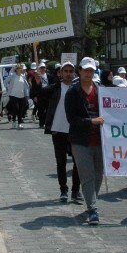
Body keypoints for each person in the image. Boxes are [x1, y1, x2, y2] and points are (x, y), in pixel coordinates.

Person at [66, 57, 105, 225]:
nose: (88, 73)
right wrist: (91, 121)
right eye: (86, 70)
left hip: (101, 141)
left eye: (91, 70)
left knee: (98, 175)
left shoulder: (101, 91)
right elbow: (72, 119)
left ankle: (91, 202)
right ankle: (93, 209)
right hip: (80, 141)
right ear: (80, 71)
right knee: (87, 175)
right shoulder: (72, 92)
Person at [44, 61, 81, 203]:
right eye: (65, 71)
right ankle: (63, 190)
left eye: (71, 71)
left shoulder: (78, 89)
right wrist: (36, 82)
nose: (68, 74)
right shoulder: (54, 88)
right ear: (60, 73)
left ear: (74, 73)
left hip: (74, 130)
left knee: (78, 162)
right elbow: (37, 95)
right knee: (61, 162)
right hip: (58, 130)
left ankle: (75, 191)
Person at [5, 62, 30, 129]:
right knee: (16, 108)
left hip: (21, 95)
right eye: (18, 68)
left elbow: (25, 86)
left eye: (21, 69)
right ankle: (14, 121)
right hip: (13, 95)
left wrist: (26, 94)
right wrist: (8, 88)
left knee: (21, 110)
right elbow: (5, 82)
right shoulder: (12, 75)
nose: (20, 70)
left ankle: (19, 123)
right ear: (16, 69)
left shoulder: (23, 76)